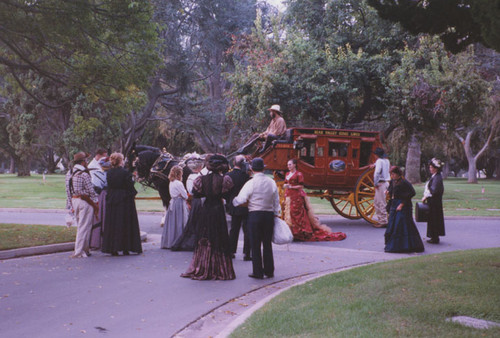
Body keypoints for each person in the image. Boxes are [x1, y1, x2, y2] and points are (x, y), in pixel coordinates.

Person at [181, 154, 235, 280]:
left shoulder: (201, 180)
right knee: (219, 237)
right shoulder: (225, 180)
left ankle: (203, 266)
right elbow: (228, 196)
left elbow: (196, 195)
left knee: (205, 236)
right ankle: (219, 268)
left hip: (206, 210)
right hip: (218, 210)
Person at [233, 157, 281, 279]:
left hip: (255, 214)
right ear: (264, 168)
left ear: (251, 168)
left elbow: (241, 199)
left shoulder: (251, 183)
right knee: (267, 244)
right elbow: (276, 200)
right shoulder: (271, 182)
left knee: (255, 244)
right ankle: (269, 270)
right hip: (268, 214)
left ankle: (258, 271)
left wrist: (233, 202)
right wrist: (276, 213)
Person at [284, 159, 346, 242]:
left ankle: (300, 232)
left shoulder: (299, 174)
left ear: (294, 165)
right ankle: (291, 232)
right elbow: (286, 183)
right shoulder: (287, 174)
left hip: (296, 196)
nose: (288, 166)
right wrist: (286, 186)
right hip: (289, 196)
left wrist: (291, 187)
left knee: (297, 214)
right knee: (289, 214)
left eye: (290, 164)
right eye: (288, 165)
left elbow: (301, 186)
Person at [101, 152, 142, 256]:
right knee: (125, 223)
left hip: (112, 198)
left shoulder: (109, 172)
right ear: (120, 161)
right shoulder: (125, 172)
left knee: (113, 222)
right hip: (124, 199)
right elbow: (129, 185)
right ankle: (126, 247)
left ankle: (113, 248)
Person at [65, 151, 99, 258]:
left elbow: (68, 190)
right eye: (86, 160)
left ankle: (84, 250)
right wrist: (95, 202)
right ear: (83, 162)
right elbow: (91, 191)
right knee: (85, 226)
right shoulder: (84, 174)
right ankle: (79, 251)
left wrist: (70, 204)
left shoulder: (69, 173)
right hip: (85, 201)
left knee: (82, 225)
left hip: (75, 201)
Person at [384, 166, 424, 253]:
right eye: (391, 174)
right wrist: (388, 192)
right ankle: (391, 244)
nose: (392, 176)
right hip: (394, 204)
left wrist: (402, 204)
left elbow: (412, 193)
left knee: (401, 224)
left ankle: (404, 246)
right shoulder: (393, 181)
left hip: (403, 205)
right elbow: (391, 190)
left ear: (398, 174)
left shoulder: (404, 183)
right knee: (392, 223)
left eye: (393, 174)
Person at [171, 155, 206, 251]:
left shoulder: (190, 177)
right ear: (200, 167)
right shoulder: (197, 177)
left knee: (194, 221)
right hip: (198, 200)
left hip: (196, 200)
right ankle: (194, 242)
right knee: (196, 222)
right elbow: (191, 191)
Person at [226, 155, 251, 261]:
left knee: (234, 229)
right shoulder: (246, 176)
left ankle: (231, 250)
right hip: (245, 204)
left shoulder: (228, 175)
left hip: (234, 203)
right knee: (247, 229)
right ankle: (247, 252)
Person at [161, 165, 189, 249]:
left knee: (173, 223)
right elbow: (185, 195)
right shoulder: (179, 183)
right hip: (179, 203)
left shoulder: (171, 182)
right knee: (180, 222)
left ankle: (170, 241)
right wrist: (183, 195)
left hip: (173, 202)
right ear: (179, 174)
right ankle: (179, 242)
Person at [89, 157, 111, 250]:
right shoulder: (110, 174)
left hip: (101, 196)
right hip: (106, 196)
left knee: (98, 218)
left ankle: (97, 241)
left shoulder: (98, 174)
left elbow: (95, 186)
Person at [422, 158, 445, 244]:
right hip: (433, 201)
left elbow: (434, 190)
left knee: (435, 219)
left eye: (431, 167)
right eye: (430, 167)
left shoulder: (437, 178)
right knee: (432, 219)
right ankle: (433, 236)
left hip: (435, 202)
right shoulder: (435, 176)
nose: (430, 169)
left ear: (436, 168)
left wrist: (426, 196)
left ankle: (435, 237)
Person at [371, 147, 391, 228]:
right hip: (386, 183)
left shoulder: (379, 161)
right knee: (377, 202)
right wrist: (374, 164)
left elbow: (377, 173)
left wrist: (375, 183)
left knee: (381, 202)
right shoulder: (386, 161)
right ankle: (381, 220)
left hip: (381, 184)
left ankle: (383, 221)